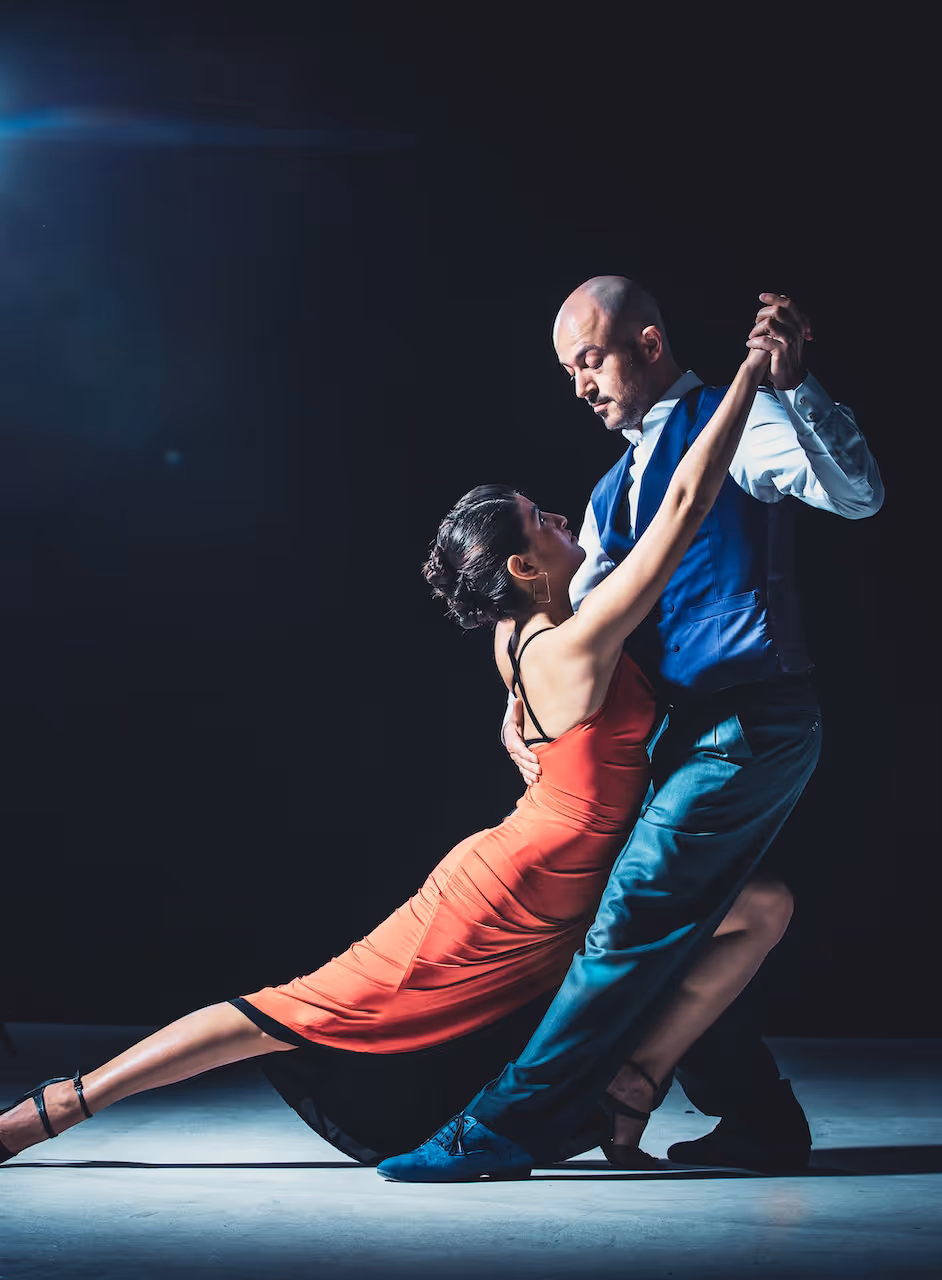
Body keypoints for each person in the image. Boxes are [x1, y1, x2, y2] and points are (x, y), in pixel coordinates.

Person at [1, 338, 784, 1170]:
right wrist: (741, 379)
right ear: (524, 563)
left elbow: (528, 723)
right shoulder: (575, 645)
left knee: (761, 908)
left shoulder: (521, 635)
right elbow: (686, 504)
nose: (563, 518)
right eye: (544, 520)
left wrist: (514, 735)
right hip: (510, 896)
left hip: (578, 873)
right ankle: (47, 1112)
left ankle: (631, 1091)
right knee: (294, 1011)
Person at [378, 280, 884, 1183]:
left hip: (751, 716)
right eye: (567, 370)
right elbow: (569, 614)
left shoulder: (743, 422)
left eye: (590, 360)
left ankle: (504, 1128)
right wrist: (517, 697)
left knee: (632, 920)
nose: (579, 385)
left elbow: (856, 497)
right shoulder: (609, 492)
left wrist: (798, 391)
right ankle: (759, 1117)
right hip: (681, 737)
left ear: (647, 343)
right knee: (686, 921)